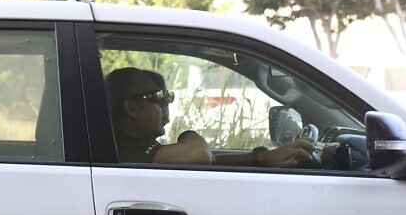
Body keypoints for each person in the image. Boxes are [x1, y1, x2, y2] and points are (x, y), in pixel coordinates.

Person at [105, 67, 314, 167]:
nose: (166, 103)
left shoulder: (138, 147)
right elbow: (200, 155)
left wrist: (261, 158)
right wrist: (188, 134)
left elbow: (210, 161)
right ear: (131, 108)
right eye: (157, 97)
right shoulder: (126, 150)